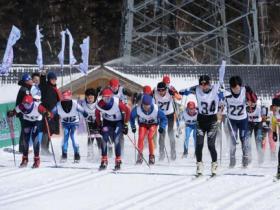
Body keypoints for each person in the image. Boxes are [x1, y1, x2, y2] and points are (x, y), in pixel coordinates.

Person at [179, 74, 224, 176]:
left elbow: (228, 95)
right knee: (199, 145)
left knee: (211, 145)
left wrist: (222, 93)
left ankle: (214, 165)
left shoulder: (216, 88)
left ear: (210, 83)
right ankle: (199, 165)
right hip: (200, 120)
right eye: (201, 84)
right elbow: (181, 91)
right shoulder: (196, 89)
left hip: (212, 120)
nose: (204, 86)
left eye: (206, 84)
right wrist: (185, 91)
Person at [7, 95, 50, 168]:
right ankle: (25, 159)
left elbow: (48, 113)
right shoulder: (21, 106)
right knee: (25, 140)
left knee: (35, 139)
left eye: (28, 104)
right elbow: (14, 112)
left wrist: (47, 114)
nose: (26, 105)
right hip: (27, 121)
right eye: (25, 103)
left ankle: (36, 160)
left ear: (32, 102)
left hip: (36, 121)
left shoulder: (37, 106)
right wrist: (11, 113)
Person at [224, 76, 257, 168]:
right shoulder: (226, 92)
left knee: (244, 138)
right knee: (233, 140)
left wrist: (251, 92)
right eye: (233, 88)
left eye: (237, 88)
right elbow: (220, 101)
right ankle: (232, 159)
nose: (235, 90)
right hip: (232, 120)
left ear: (240, 86)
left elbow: (254, 101)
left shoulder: (244, 90)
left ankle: (245, 158)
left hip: (242, 119)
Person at [95, 88, 130, 170]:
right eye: (104, 98)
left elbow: (128, 111)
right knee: (104, 138)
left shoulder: (117, 102)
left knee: (117, 139)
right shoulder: (100, 104)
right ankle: (104, 159)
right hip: (107, 123)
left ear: (111, 97)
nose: (106, 100)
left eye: (108, 98)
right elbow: (97, 113)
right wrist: (99, 125)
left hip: (118, 122)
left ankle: (118, 160)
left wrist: (125, 124)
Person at [51, 90, 88, 162]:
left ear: (70, 98)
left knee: (73, 136)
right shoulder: (58, 105)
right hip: (65, 123)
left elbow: (82, 110)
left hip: (74, 123)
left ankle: (76, 154)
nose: (65, 102)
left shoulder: (75, 103)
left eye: (67, 99)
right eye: (64, 100)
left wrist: (85, 114)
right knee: (65, 136)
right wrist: (49, 115)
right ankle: (64, 154)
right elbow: (52, 112)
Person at [130, 94, 167, 165]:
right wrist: (133, 126)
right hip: (143, 124)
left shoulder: (156, 109)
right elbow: (131, 117)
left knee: (150, 137)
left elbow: (164, 118)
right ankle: (140, 155)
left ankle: (151, 156)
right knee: (141, 137)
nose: (146, 107)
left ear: (151, 104)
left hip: (153, 124)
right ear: (142, 104)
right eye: (144, 105)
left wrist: (162, 127)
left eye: (148, 105)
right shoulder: (137, 109)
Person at [154, 81, 181, 161]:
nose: (161, 92)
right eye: (159, 90)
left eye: (162, 90)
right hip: (161, 116)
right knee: (162, 134)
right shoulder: (154, 91)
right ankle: (161, 153)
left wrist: (173, 94)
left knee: (170, 133)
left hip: (169, 115)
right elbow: (147, 96)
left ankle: (173, 152)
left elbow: (179, 97)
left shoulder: (169, 91)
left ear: (165, 89)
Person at [40, 71, 61, 155]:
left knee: (50, 131)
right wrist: (43, 76)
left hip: (54, 113)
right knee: (46, 131)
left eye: (55, 79)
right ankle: (43, 149)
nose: (54, 80)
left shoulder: (55, 88)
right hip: (47, 111)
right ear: (48, 79)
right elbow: (42, 84)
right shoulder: (46, 87)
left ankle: (46, 149)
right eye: (52, 79)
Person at [81, 88, 102, 159]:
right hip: (89, 122)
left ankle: (101, 152)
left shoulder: (98, 102)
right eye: (88, 98)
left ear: (95, 97)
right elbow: (81, 112)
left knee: (98, 136)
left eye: (91, 98)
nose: (90, 99)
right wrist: (86, 116)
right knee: (91, 136)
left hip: (98, 121)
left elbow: (102, 111)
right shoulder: (83, 103)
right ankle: (90, 152)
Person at [16, 73, 33, 153]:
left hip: (22, 112)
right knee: (24, 130)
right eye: (30, 80)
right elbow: (27, 102)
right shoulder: (25, 90)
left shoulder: (25, 88)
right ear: (26, 81)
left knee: (25, 129)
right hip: (23, 112)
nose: (31, 81)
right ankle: (23, 149)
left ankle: (23, 148)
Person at [247, 99, 265, 165]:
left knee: (258, 139)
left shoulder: (259, 107)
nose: (252, 104)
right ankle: (248, 157)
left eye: (253, 103)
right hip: (249, 123)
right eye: (250, 103)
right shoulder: (246, 107)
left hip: (258, 123)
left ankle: (260, 157)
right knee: (247, 139)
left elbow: (264, 116)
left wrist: (264, 123)